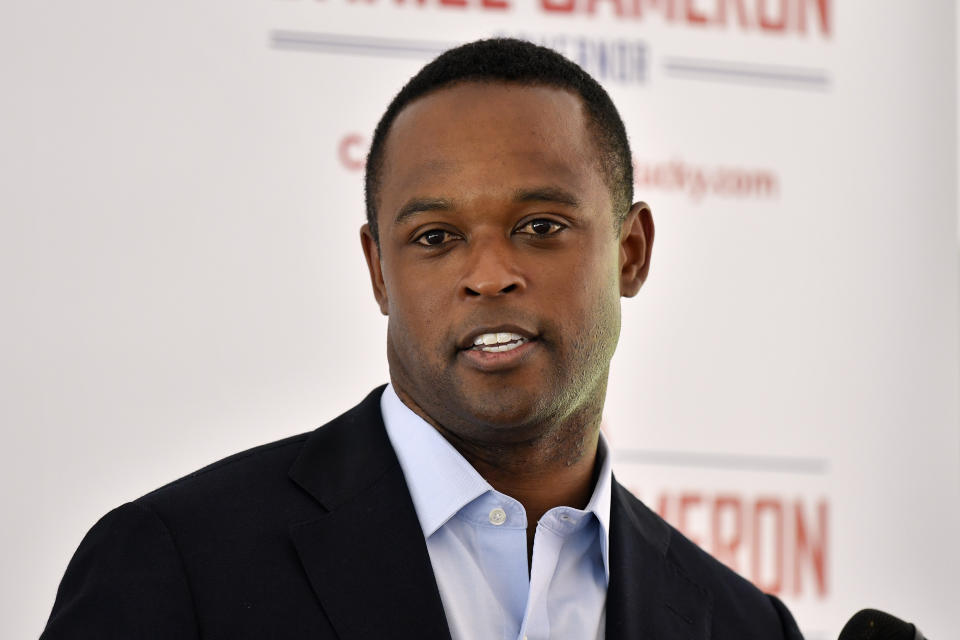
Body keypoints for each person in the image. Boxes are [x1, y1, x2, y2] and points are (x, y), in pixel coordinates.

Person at [42, 38, 804, 639]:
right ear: (378, 272)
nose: (490, 274)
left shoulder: (741, 624)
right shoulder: (176, 563)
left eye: (540, 227)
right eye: (436, 236)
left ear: (630, 252)